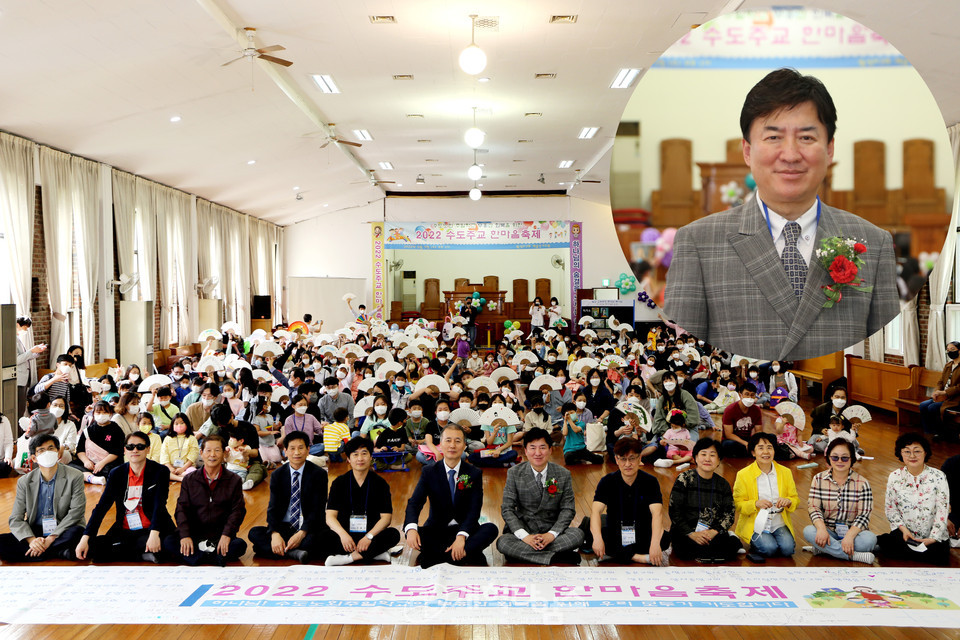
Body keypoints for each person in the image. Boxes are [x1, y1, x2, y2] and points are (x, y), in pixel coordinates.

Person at [663, 68, 898, 360]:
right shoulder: (697, 242)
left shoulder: (873, 244)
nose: (790, 154)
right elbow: (685, 356)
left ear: (829, 149)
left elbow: (883, 354)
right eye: (773, 137)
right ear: (747, 151)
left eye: (806, 138)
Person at [404, 425, 498, 568]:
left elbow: (474, 509)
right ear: (441, 444)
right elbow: (415, 503)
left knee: (491, 528)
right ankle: (462, 554)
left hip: (465, 530)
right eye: (448, 440)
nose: (452, 445)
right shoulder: (429, 471)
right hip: (436, 530)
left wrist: (461, 536)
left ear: (464, 445)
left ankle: (441, 556)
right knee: (412, 532)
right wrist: (411, 529)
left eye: (457, 441)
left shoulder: (474, 473)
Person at [74, 431, 174, 563]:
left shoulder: (160, 471)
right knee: (95, 550)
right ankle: (142, 553)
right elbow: (102, 506)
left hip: (151, 528)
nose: (135, 450)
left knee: (170, 544)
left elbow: (159, 505)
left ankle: (137, 550)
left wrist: (154, 533)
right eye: (130, 447)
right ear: (125, 450)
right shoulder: (117, 473)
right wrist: (85, 537)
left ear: (148, 449)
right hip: (126, 529)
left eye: (140, 447)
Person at [496, 428, 583, 565]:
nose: (537, 453)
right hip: (525, 529)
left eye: (542, 448)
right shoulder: (514, 473)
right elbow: (507, 508)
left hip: (551, 529)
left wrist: (551, 534)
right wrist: (525, 537)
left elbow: (568, 509)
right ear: (525, 451)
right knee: (503, 542)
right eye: (532, 448)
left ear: (550, 450)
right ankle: (555, 557)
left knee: (577, 535)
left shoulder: (563, 474)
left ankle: (527, 555)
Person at [162, 435, 247, 566]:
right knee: (169, 541)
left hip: (219, 536)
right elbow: (181, 509)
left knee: (239, 545)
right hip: (194, 535)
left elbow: (238, 511)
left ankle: (197, 557)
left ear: (224, 453)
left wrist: (227, 535)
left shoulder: (234, 480)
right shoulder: (189, 479)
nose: (212, 454)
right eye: (208, 450)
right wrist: (185, 536)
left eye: (217, 450)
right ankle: (214, 557)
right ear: (201, 453)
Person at [584, 438, 670, 565]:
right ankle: (638, 557)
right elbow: (596, 511)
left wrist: (655, 544)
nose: (627, 464)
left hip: (642, 531)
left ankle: (622, 554)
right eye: (623, 459)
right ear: (617, 459)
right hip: (617, 532)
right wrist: (597, 539)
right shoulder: (607, 481)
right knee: (594, 536)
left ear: (640, 458)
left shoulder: (650, 482)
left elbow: (657, 514)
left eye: (632, 458)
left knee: (664, 539)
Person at [0, 434, 86, 562]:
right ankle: (59, 552)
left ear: (58, 453)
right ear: (34, 458)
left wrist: (51, 538)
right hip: (36, 531)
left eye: (51, 448)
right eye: (41, 450)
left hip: (63, 529)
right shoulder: (24, 481)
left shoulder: (75, 476)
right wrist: (32, 540)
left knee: (77, 533)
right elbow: (15, 518)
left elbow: (76, 513)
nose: (47, 452)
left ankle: (37, 553)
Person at [248, 431, 328, 564]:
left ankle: (279, 551)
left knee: (323, 538)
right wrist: (274, 533)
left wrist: (302, 532)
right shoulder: (277, 475)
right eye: (292, 448)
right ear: (285, 451)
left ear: (308, 450)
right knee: (254, 533)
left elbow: (318, 508)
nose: (296, 452)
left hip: (308, 526)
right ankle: (294, 552)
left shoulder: (318, 474)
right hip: (285, 526)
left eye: (301, 448)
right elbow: (272, 507)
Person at [322, 437, 401, 566]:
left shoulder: (380, 483)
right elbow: (330, 516)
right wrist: (343, 535)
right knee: (321, 536)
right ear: (348, 459)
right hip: (345, 534)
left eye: (364, 453)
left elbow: (386, 518)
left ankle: (348, 558)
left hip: (370, 535)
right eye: (355, 454)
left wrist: (369, 537)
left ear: (371, 457)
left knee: (394, 534)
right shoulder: (339, 483)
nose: (360, 458)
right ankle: (374, 554)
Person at [876, 433, 950, 565]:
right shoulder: (895, 477)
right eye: (907, 451)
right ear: (901, 453)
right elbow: (891, 509)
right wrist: (904, 530)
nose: (912, 456)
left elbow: (942, 511)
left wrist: (933, 538)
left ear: (925, 453)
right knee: (889, 545)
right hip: (906, 535)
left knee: (939, 556)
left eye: (917, 451)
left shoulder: (939, 476)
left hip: (932, 537)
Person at [802, 438, 876, 564]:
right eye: (835, 457)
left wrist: (849, 536)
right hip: (828, 531)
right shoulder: (818, 479)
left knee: (870, 539)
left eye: (845, 458)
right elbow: (814, 507)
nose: (840, 461)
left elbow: (864, 515)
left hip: (853, 532)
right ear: (829, 458)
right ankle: (852, 556)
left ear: (852, 459)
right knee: (809, 531)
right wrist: (821, 529)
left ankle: (824, 549)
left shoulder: (863, 483)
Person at [668, 439, 742, 563]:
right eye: (703, 454)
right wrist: (692, 534)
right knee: (685, 552)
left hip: (711, 532)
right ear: (695, 457)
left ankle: (730, 538)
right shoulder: (684, 479)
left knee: (727, 552)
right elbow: (674, 511)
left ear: (718, 460)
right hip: (687, 532)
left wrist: (713, 532)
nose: (707, 459)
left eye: (712, 455)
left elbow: (729, 514)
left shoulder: (722, 484)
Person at [733, 432, 799, 562]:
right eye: (760, 448)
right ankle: (757, 541)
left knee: (788, 549)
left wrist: (789, 501)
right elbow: (738, 503)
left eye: (769, 447)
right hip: (757, 524)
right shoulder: (743, 474)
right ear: (753, 452)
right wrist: (755, 504)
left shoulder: (786, 472)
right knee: (769, 549)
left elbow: (795, 498)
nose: (766, 452)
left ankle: (766, 541)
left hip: (778, 522)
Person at [69, 401, 125, 485]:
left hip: (107, 463)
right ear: (94, 413)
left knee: (113, 472)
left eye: (105, 412)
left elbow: (116, 452)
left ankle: (88, 477)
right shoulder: (88, 430)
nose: (101, 415)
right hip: (90, 462)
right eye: (98, 412)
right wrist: (86, 461)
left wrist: (101, 463)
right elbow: (80, 451)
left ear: (110, 413)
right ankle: (92, 478)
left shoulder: (116, 429)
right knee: (69, 467)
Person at [920, 341, 960, 441]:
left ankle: (940, 432)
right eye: (948, 351)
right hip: (942, 396)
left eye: (952, 349)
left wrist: (944, 393)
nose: (950, 352)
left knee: (932, 407)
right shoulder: (948, 365)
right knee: (923, 405)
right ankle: (928, 432)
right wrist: (936, 391)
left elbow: (959, 387)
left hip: (954, 398)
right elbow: (941, 382)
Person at [721, 382, 762, 458]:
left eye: (752, 395)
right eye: (746, 394)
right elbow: (729, 434)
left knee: (771, 438)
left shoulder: (756, 410)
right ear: (740, 395)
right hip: (734, 440)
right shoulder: (730, 410)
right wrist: (746, 444)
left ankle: (750, 451)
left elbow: (758, 430)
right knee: (727, 445)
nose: (749, 397)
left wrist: (755, 442)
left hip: (748, 439)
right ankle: (750, 452)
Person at [16, 317, 46, 418]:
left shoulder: (17, 338)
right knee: (19, 409)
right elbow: (16, 360)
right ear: (17, 325)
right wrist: (31, 351)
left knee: (22, 408)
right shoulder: (11, 339)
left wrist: (36, 352)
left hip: (23, 379)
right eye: (25, 327)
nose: (26, 330)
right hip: (18, 379)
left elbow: (25, 357)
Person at [160, 413, 200, 482]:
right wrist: (170, 468)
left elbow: (193, 456)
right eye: (176, 423)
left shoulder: (192, 438)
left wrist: (182, 469)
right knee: (161, 472)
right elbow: (164, 454)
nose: (179, 426)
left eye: (182, 423)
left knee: (193, 472)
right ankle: (180, 478)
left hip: (187, 468)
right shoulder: (167, 438)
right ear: (172, 425)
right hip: (170, 468)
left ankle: (175, 477)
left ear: (187, 424)